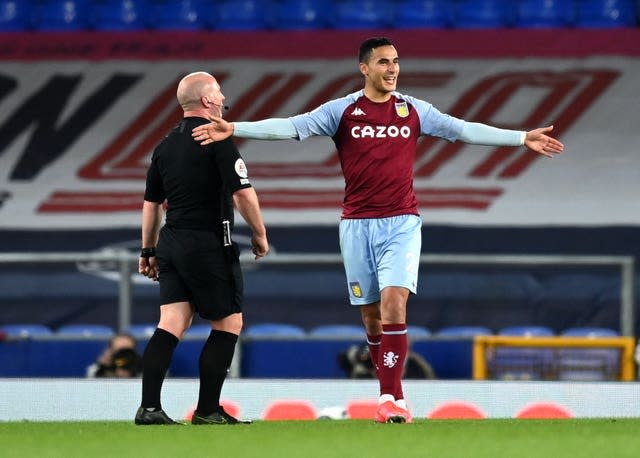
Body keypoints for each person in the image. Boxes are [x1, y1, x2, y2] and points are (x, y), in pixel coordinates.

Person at [192, 37, 564, 423]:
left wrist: (521, 138)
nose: (392, 69)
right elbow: (290, 126)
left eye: (396, 62)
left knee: (393, 303)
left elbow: (464, 129)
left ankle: (393, 398)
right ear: (364, 68)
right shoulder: (342, 111)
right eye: (384, 62)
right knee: (371, 317)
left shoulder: (415, 110)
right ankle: (387, 390)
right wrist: (235, 127)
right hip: (356, 226)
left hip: (402, 222)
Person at [135, 71, 269, 426]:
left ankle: (149, 408)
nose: (224, 99)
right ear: (207, 101)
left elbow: (151, 204)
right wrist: (259, 233)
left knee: (171, 322)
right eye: (219, 94)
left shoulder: (164, 145)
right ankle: (208, 410)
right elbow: (242, 194)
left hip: (172, 242)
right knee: (229, 323)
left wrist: (148, 250)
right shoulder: (218, 139)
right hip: (209, 242)